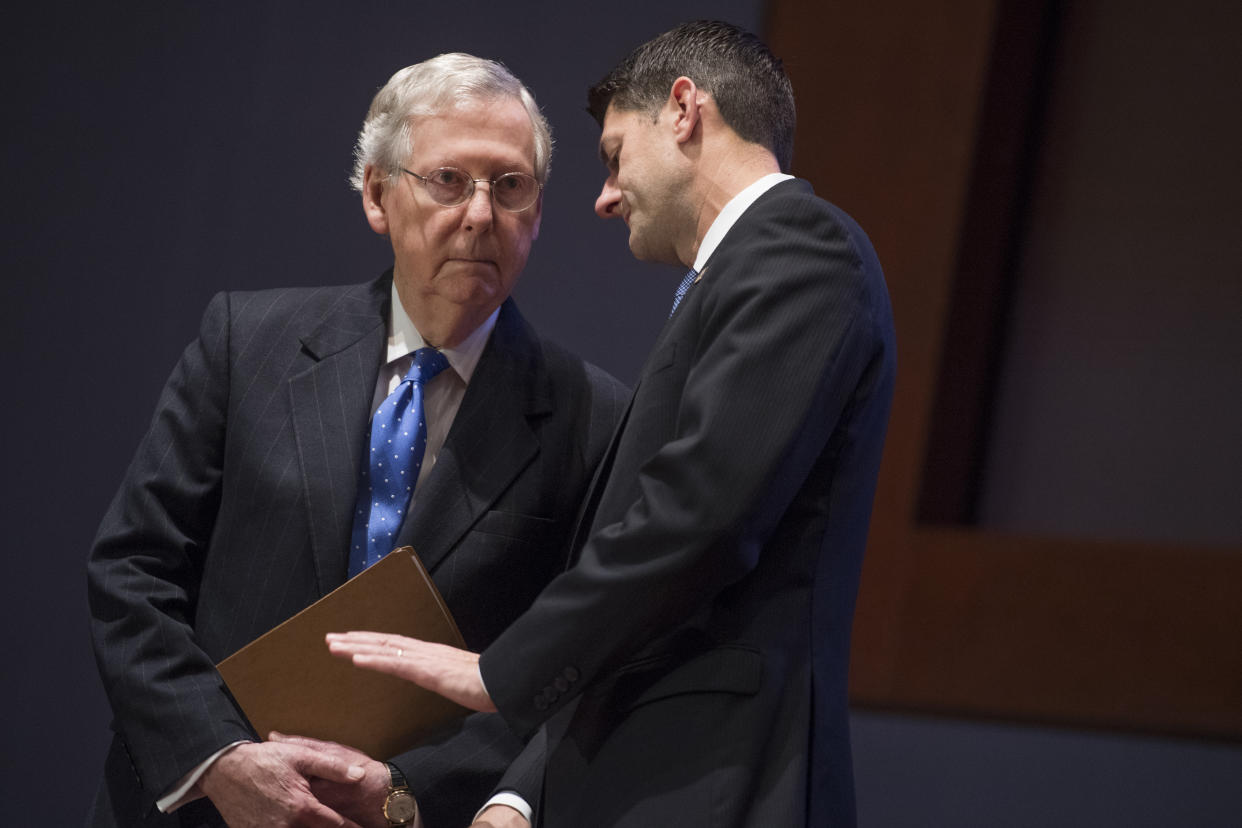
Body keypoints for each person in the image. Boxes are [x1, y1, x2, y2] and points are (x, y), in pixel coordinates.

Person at [329, 20, 897, 828]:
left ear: (683, 110)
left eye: (613, 155)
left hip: (717, 779)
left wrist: (501, 673)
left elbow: (697, 515)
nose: (603, 196)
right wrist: (526, 795)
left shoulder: (800, 247)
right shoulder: (746, 272)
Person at [86, 53, 628, 828]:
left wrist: (404, 791)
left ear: (538, 213)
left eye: (510, 186)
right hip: (200, 804)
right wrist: (221, 758)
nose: (480, 214)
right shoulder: (249, 343)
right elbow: (130, 571)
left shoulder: (591, 417)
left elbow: (572, 670)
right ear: (378, 194)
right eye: (448, 180)